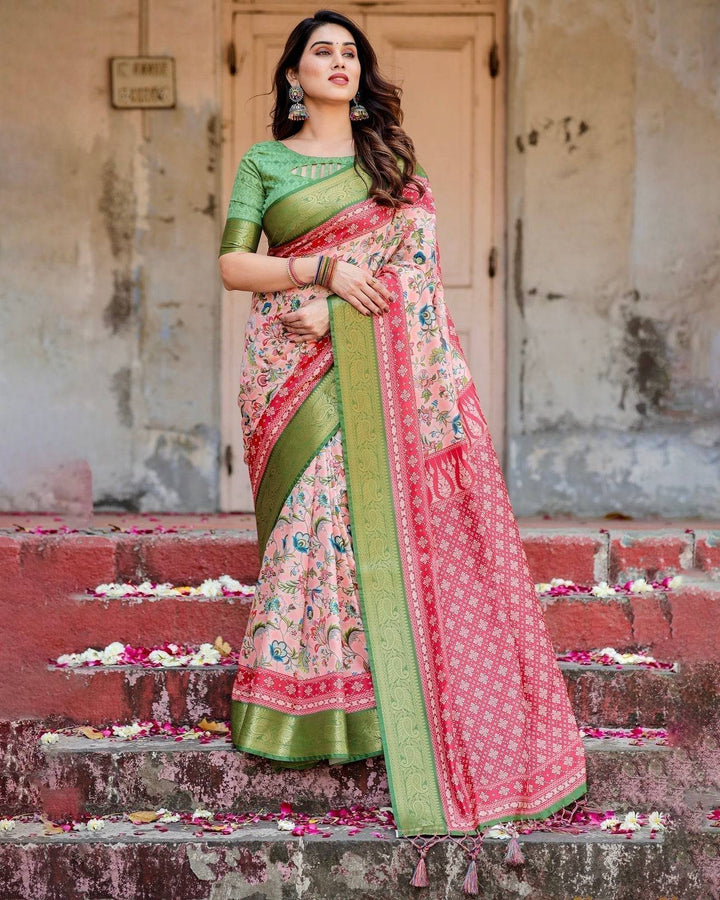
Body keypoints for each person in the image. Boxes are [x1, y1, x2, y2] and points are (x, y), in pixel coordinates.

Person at [218, 8, 587, 844]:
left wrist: (346, 308)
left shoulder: (392, 158)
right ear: (293, 74)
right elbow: (235, 263)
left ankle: (388, 708)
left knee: (366, 528)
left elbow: (417, 273)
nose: (339, 62)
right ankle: (310, 712)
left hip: (375, 366)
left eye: (351, 52)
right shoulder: (265, 163)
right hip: (294, 371)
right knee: (312, 530)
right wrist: (321, 273)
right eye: (322, 51)